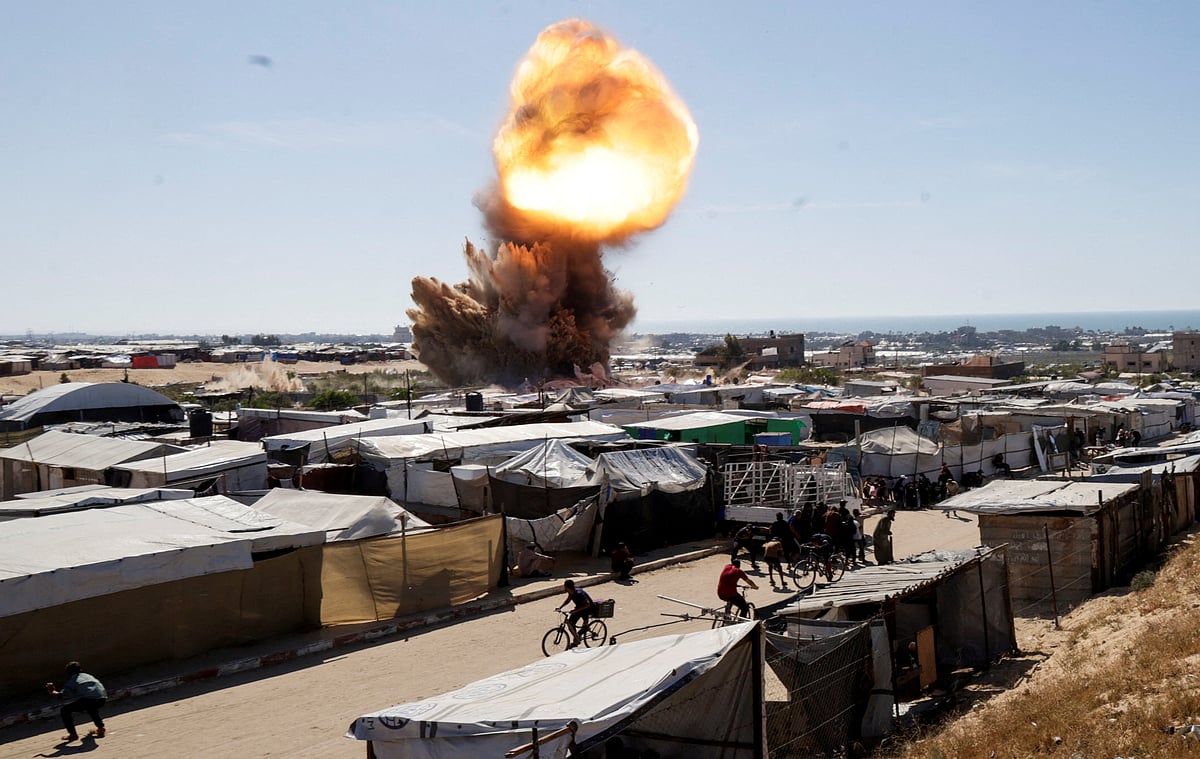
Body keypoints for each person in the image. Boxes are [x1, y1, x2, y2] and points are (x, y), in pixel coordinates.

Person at [46, 661, 106, 742]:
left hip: (89, 700)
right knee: (91, 707)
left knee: (65, 710)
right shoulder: (88, 676)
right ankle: (100, 728)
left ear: (68, 673)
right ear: (81, 669)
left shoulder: (72, 681)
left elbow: (62, 696)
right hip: (102, 698)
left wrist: (52, 690)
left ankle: (72, 734)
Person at [556, 579, 598, 647]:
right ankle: (577, 638)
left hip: (588, 609)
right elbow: (568, 599)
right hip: (579, 608)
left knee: (583, 625)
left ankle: (579, 636)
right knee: (570, 623)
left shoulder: (579, 593)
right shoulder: (571, 592)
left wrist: (575, 611)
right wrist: (560, 607)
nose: (564, 588)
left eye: (565, 586)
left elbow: (587, 604)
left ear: (568, 587)